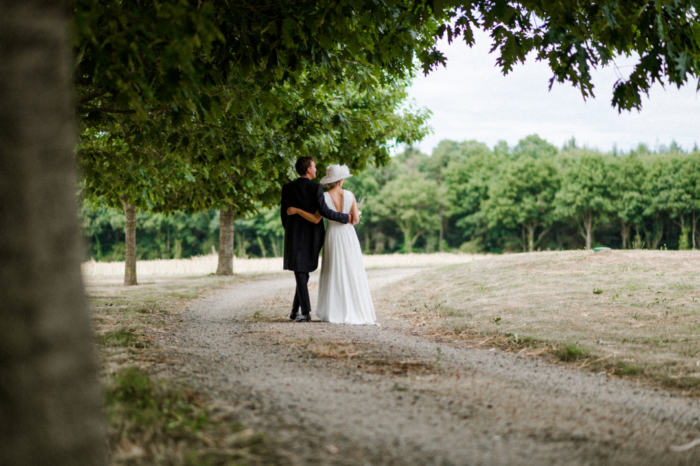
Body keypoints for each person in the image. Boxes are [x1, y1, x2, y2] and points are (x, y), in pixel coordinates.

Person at [286, 164, 377, 325]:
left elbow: (315, 219)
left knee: (333, 271)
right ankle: (354, 307)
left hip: (333, 236)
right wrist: (347, 217)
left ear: (329, 181)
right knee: (351, 269)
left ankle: (333, 309)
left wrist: (297, 211)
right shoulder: (350, 195)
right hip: (348, 236)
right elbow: (355, 220)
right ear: (341, 180)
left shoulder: (324, 196)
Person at [280, 157, 352, 322]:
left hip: (294, 235)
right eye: (314, 167)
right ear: (308, 170)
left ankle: (294, 310)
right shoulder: (315, 188)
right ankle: (304, 312)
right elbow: (325, 212)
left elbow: (283, 217)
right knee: (301, 272)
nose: (316, 169)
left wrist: (292, 232)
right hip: (313, 237)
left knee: (302, 272)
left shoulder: (287, 188)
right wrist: (345, 217)